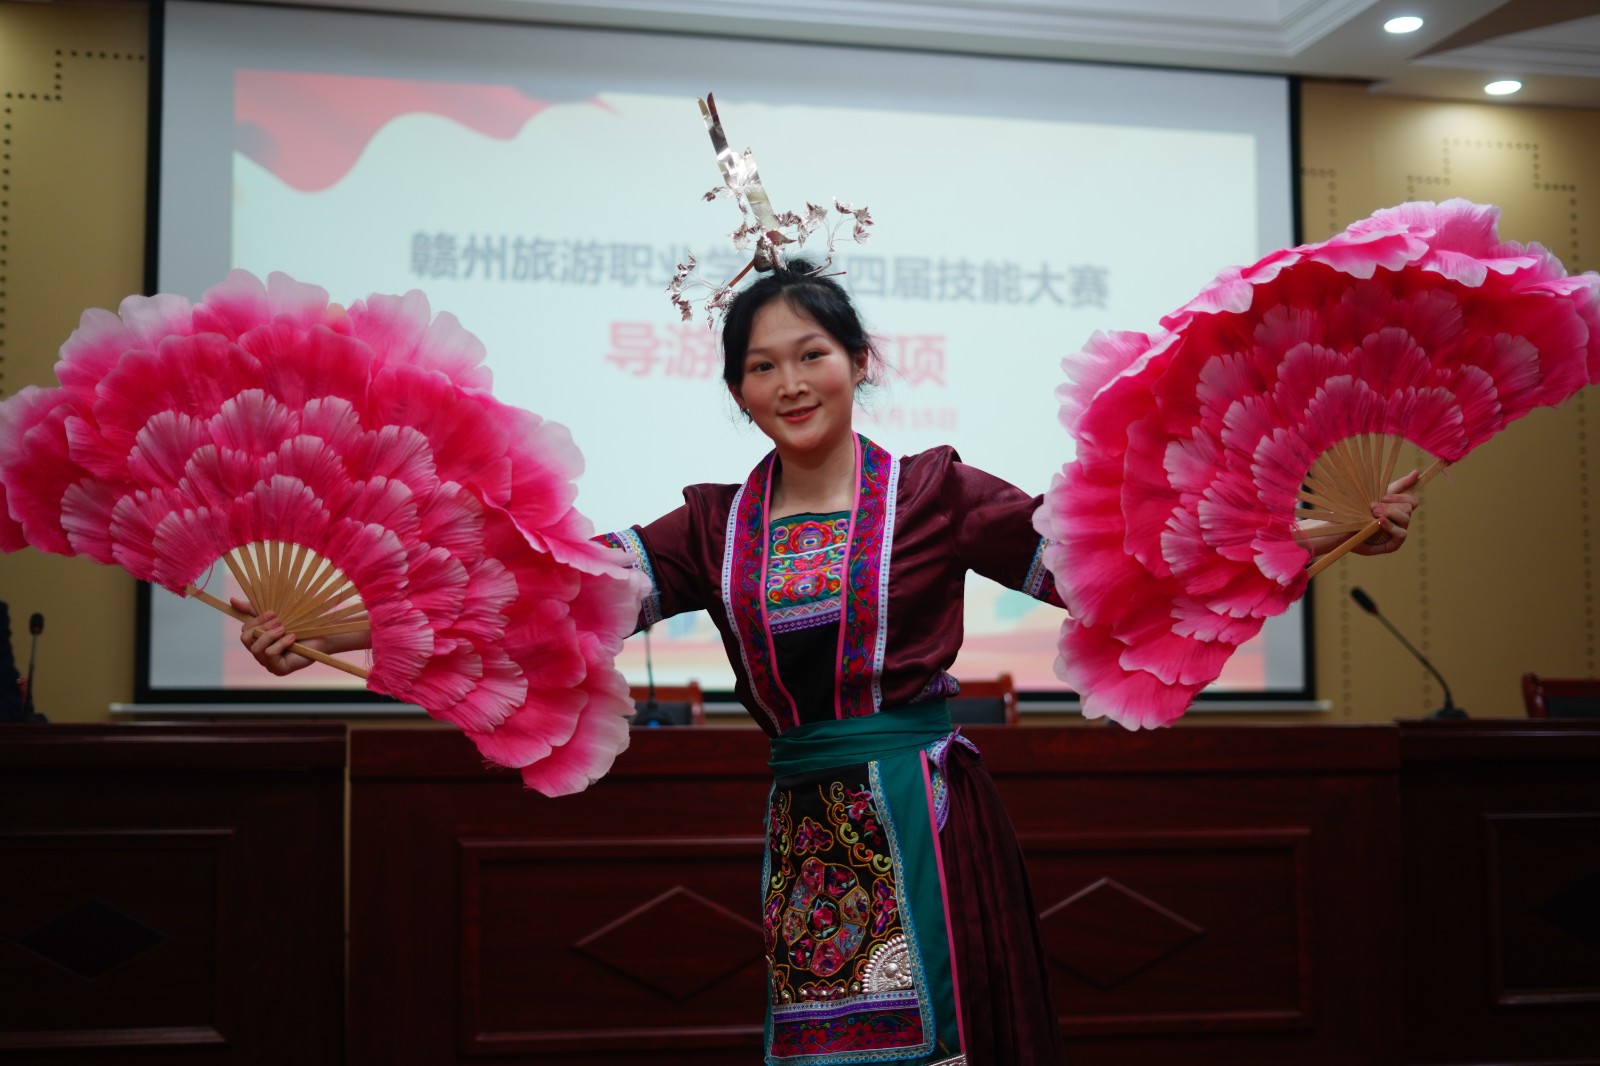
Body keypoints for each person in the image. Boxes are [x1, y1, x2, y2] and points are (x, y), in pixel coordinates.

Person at [237, 261, 1418, 1065]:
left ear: (858, 360)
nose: (790, 382)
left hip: (928, 823)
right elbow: (537, 602)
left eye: (811, 353)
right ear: (737, 390)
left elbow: (1117, 565)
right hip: (809, 829)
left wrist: (1320, 528)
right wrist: (344, 629)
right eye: (762, 366)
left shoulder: (938, 494)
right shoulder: (712, 527)